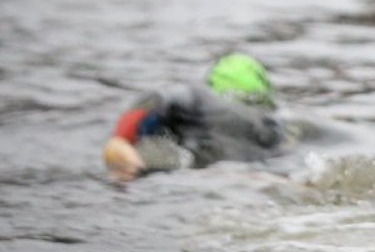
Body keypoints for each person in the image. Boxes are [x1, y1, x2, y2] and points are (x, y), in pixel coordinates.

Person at [103, 53, 291, 181]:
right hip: (254, 177)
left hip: (195, 176)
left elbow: (153, 102)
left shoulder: (197, 96)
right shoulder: (272, 122)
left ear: (212, 83)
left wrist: (120, 139)